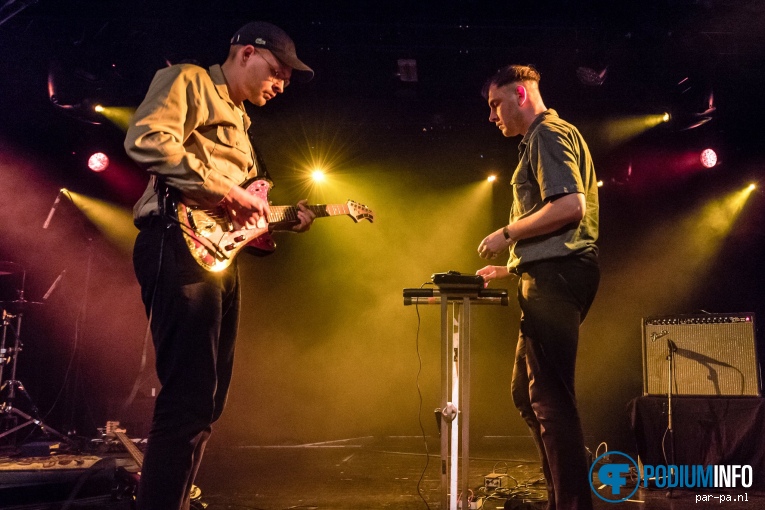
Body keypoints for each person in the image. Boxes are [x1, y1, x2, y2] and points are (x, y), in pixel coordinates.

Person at [125, 21, 316, 510]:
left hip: (213, 258)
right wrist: (227, 191)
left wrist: (278, 220)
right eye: (276, 73)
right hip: (175, 241)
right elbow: (145, 140)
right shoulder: (188, 80)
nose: (280, 86)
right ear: (245, 53)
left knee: (207, 402)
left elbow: (238, 213)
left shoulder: (244, 126)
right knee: (187, 398)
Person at [476, 65, 599, 510]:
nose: (492, 116)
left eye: (495, 104)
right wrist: (510, 269)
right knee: (526, 394)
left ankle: (572, 502)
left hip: (558, 277)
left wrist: (507, 234)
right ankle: (563, 492)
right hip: (551, 272)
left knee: (550, 399)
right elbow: (558, 228)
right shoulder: (548, 136)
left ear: (521, 94)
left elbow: (570, 206)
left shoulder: (547, 133)